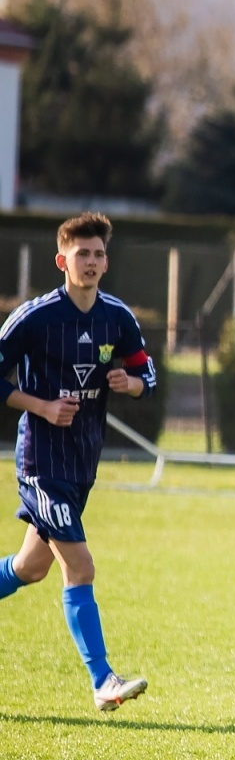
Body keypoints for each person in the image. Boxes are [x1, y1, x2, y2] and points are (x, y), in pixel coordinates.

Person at [0, 213, 156, 710]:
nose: (90, 262)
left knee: (30, 567)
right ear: (61, 260)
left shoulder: (117, 317)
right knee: (81, 567)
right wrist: (42, 405)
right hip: (40, 463)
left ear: (106, 262)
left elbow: (144, 372)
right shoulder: (35, 318)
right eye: (81, 254)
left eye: (98, 254)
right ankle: (103, 680)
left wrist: (128, 384)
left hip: (82, 463)